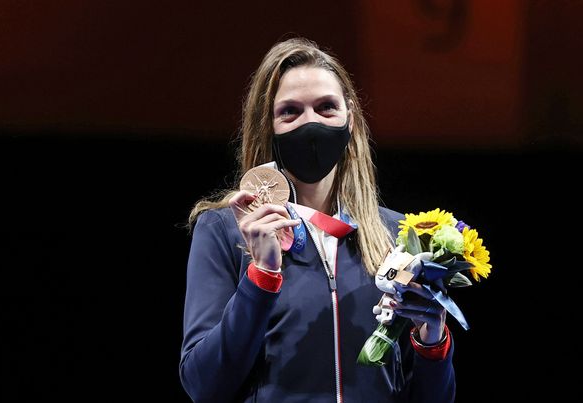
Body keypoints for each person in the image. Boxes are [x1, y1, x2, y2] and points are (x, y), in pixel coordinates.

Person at [179, 36, 455, 403]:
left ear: (350, 119)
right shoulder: (227, 230)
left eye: (326, 108)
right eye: (290, 112)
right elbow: (203, 385)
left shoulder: (398, 236)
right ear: (269, 125)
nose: (311, 123)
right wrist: (261, 276)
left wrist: (431, 341)